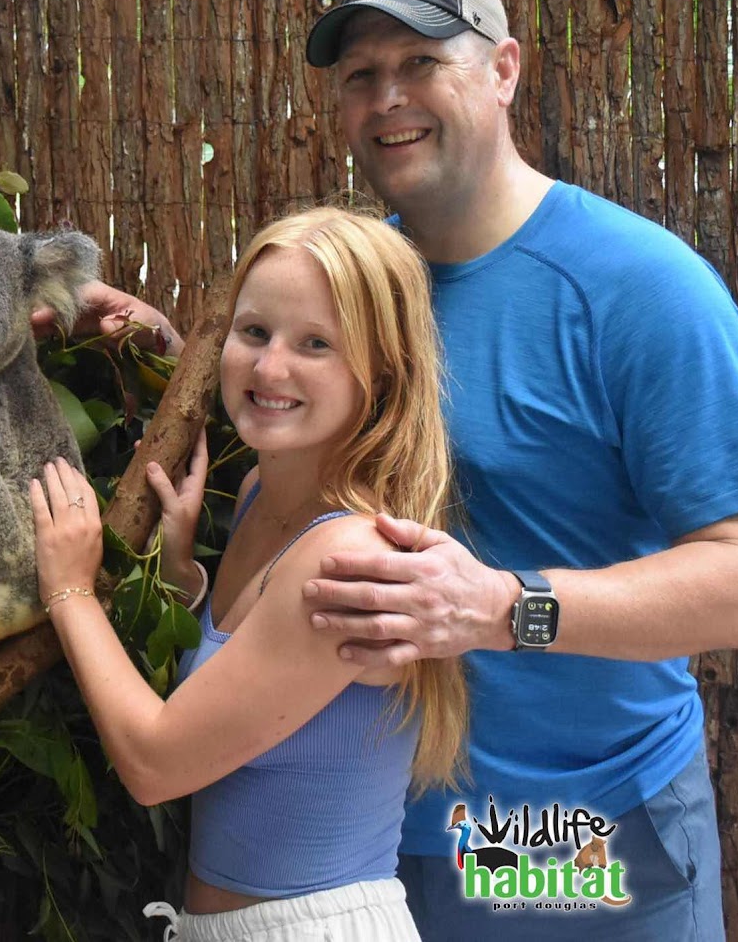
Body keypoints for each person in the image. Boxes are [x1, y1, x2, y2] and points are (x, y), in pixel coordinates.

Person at [72, 0, 738, 939]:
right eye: (360, 75)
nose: (387, 97)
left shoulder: (640, 290)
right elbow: (313, 442)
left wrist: (504, 606)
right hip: (374, 843)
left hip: (570, 830)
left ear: (504, 70)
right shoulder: (357, 278)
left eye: (422, 62)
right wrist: (169, 364)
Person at [32, 207, 466, 941]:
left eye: (316, 344)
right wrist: (184, 578)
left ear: (383, 370)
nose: (269, 369)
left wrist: (69, 588)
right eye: (255, 331)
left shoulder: (349, 555)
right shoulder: (265, 492)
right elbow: (252, 681)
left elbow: (154, 763)